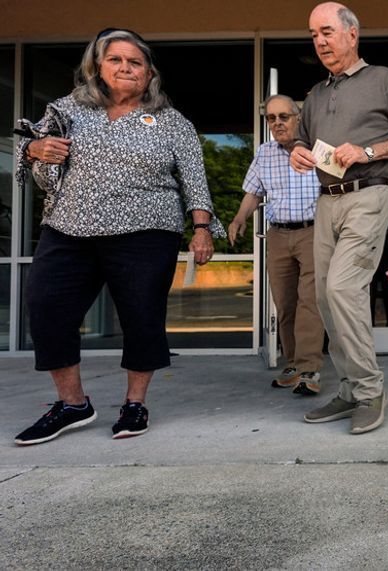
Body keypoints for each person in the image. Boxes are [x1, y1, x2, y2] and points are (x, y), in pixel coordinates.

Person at [13, 28, 225, 446]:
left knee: (141, 318)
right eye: (116, 60)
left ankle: (135, 403)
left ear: (149, 74)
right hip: (69, 227)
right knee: (45, 305)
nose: (126, 68)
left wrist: (201, 229)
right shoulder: (69, 108)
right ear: (98, 66)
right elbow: (32, 146)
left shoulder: (171, 121)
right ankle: (72, 403)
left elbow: (195, 182)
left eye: (136, 62)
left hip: (147, 231)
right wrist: (34, 151)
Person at [291, 2, 388, 434]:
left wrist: (368, 151)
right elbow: (302, 141)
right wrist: (296, 151)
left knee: (343, 288)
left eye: (327, 31)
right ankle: (349, 389)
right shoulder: (314, 94)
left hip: (368, 194)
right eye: (313, 35)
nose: (320, 42)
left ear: (352, 34)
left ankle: (369, 390)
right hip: (326, 200)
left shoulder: (383, 79)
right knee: (326, 299)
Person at [228, 94, 326, 395]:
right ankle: (294, 363)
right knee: (284, 304)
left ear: (297, 118)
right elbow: (253, 192)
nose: (278, 123)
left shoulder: (317, 149)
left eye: (284, 116)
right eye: (272, 118)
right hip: (279, 235)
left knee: (310, 302)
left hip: (312, 232)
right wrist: (239, 217)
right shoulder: (265, 152)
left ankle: (310, 369)